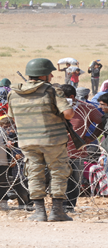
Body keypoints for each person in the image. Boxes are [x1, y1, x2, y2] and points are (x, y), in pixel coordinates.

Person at [7, 58, 75, 221]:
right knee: (58, 172)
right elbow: (68, 114)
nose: (52, 76)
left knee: (34, 173)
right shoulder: (52, 91)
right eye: (49, 73)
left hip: (28, 141)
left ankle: (39, 212)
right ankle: (57, 211)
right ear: (43, 75)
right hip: (53, 140)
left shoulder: (13, 93)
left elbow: (12, 118)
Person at [60, 84, 104, 212]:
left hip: (77, 152)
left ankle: (69, 207)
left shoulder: (86, 108)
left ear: (71, 97)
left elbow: (102, 121)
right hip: (56, 152)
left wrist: (91, 137)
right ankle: (59, 207)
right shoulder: (54, 107)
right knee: (58, 180)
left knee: (74, 182)